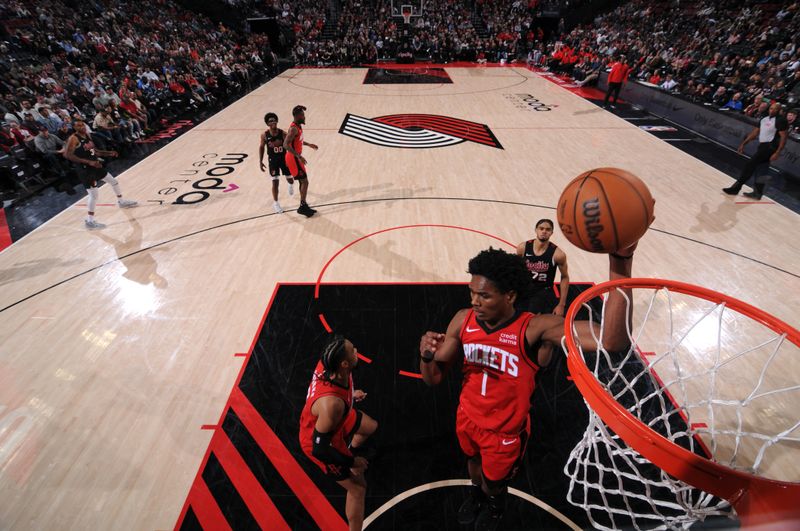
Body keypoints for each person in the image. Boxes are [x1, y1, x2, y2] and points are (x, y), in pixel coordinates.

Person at [419, 246, 635, 530]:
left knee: (495, 483)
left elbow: (612, 341)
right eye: (472, 292)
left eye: (484, 295)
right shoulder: (463, 320)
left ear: (509, 296)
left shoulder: (535, 329)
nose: (474, 301)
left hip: (505, 432)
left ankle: (495, 505)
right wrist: (425, 356)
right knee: (473, 464)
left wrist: (620, 263)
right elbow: (432, 378)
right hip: (467, 418)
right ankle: (476, 495)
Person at [299, 335, 378, 531]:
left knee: (370, 427)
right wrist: (352, 461)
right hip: (322, 442)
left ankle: (351, 449)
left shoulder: (333, 366)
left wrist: (351, 395)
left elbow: (335, 393)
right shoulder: (332, 405)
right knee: (358, 488)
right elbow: (319, 449)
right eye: (353, 351)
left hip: (335, 420)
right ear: (344, 363)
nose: (356, 350)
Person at [63, 118, 138, 229]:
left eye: (82, 124)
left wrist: (109, 153)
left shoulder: (87, 135)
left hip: (95, 166)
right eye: (78, 126)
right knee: (94, 195)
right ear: (74, 127)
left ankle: (121, 201)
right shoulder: (73, 139)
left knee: (114, 181)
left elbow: (95, 151)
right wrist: (89, 162)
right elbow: (67, 155)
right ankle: (89, 221)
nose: (82, 127)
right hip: (85, 170)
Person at [722, 102, 788, 200]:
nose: (772, 110)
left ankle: (736, 188)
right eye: (771, 108)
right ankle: (758, 193)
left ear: (779, 111)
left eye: (775, 109)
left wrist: (777, 152)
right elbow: (755, 132)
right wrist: (744, 143)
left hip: (770, 147)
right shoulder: (764, 119)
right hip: (762, 146)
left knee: (750, 165)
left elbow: (784, 137)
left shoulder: (781, 120)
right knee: (762, 169)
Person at [516, 219, 569, 316]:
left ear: (551, 233)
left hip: (543, 290)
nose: (544, 231)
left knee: (531, 318)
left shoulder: (558, 254)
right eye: (541, 228)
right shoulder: (522, 248)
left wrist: (561, 305)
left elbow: (565, 277)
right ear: (536, 230)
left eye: (548, 229)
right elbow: (515, 270)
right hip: (524, 287)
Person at [284, 105, 319, 217]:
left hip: (296, 157)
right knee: (305, 181)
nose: (304, 117)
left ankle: (303, 205)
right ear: (297, 116)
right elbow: (285, 144)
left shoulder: (298, 126)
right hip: (293, 158)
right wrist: (299, 156)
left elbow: (298, 140)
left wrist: (309, 144)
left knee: (302, 181)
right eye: (302, 115)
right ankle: (302, 206)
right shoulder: (293, 128)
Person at [258, 112, 294, 213]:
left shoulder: (282, 133)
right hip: (273, 160)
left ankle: (290, 185)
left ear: (277, 121)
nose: (273, 121)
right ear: (267, 123)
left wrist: (307, 144)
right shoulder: (264, 135)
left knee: (290, 180)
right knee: (275, 182)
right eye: (270, 121)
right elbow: (261, 147)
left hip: (284, 158)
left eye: (274, 120)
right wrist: (260, 161)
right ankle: (276, 203)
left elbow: (293, 140)